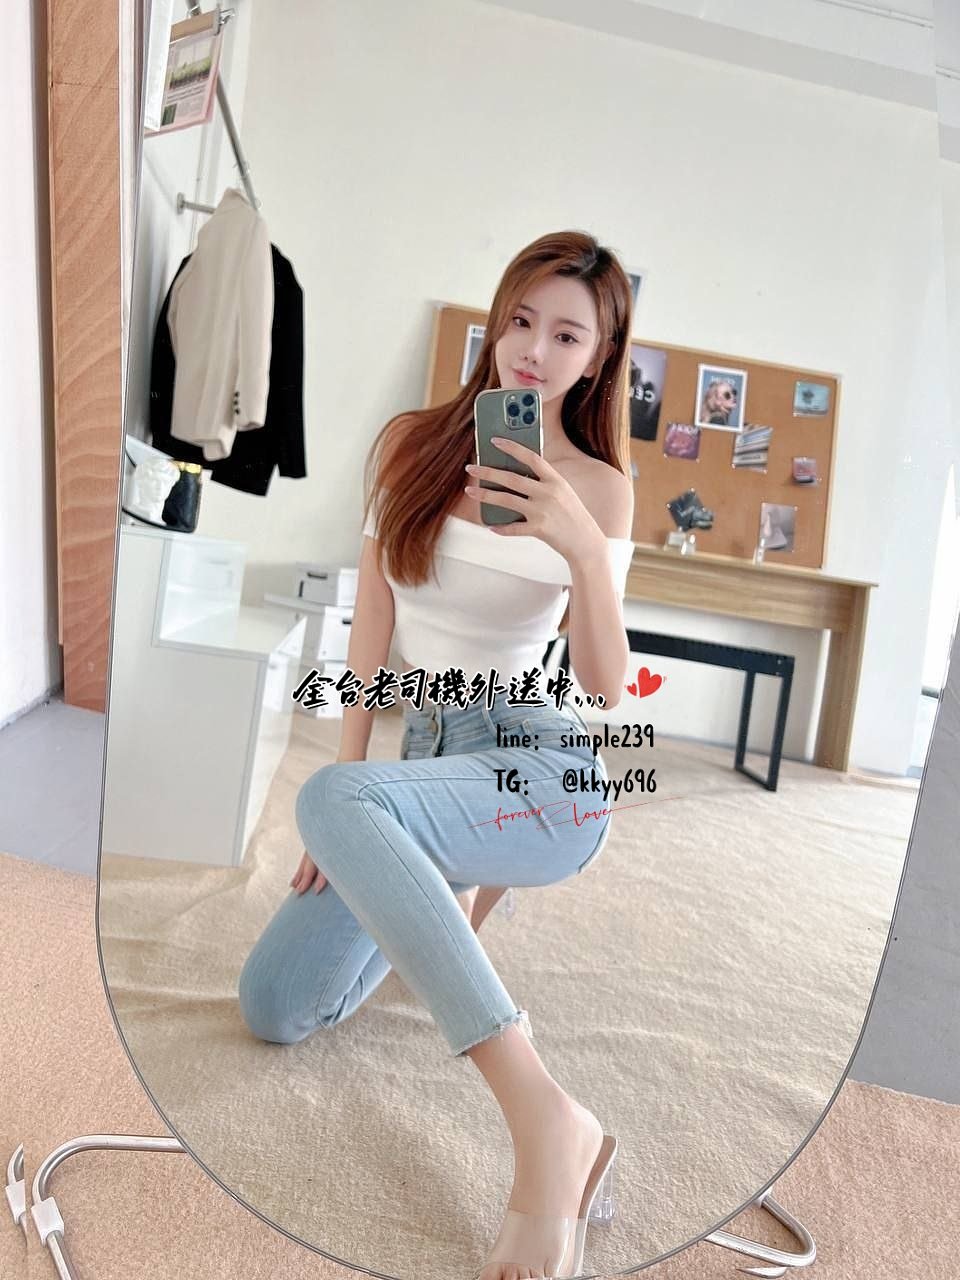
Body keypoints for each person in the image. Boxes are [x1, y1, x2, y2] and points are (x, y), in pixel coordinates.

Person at [239, 230, 636, 1278]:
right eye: (522, 321)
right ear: (494, 324)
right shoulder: (412, 444)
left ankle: (547, 1121)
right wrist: (347, 796)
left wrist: (581, 546)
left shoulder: (599, 488)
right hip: (420, 758)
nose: (535, 351)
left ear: (598, 356)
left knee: (342, 801)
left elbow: (604, 689)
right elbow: (371, 624)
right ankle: (436, 888)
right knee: (275, 1006)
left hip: (540, 766)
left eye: (567, 336)